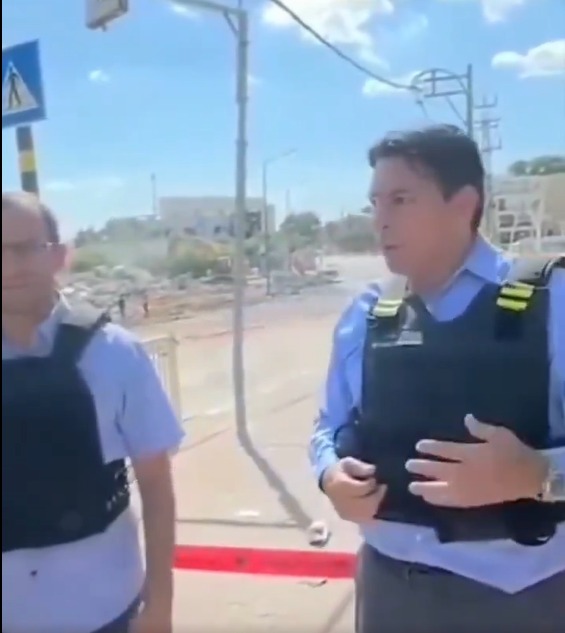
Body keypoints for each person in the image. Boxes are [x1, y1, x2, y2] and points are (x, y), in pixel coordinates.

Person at [310, 126, 564, 633]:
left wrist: (538, 474)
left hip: (521, 598)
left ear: (463, 204)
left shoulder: (552, 303)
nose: (380, 219)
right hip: (388, 589)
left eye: (401, 199)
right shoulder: (366, 313)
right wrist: (329, 474)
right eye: (375, 202)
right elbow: (328, 426)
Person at [2, 192, 184, 633]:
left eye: (25, 248)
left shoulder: (115, 353)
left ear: (59, 255)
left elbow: (156, 484)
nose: (8, 266)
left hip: (103, 610)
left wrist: (160, 604)